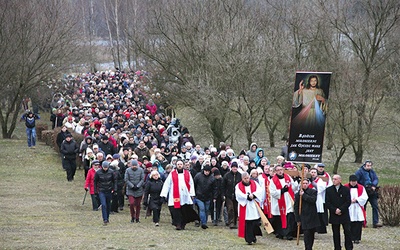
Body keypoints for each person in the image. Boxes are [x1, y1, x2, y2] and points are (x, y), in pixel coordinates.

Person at [160, 160, 198, 230]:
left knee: (184, 210)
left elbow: (191, 183)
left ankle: (183, 223)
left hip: (185, 195)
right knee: (176, 211)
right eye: (178, 164)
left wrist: (192, 194)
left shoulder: (187, 173)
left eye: (181, 164)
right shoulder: (172, 174)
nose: (179, 166)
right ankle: (178, 224)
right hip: (175, 196)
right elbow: (167, 184)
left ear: (183, 165)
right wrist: (164, 195)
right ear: (176, 165)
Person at [325, 175, 353, 250]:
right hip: (334, 214)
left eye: (335, 179)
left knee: (347, 231)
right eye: (333, 179)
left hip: (344, 214)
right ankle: (337, 247)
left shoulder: (346, 189)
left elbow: (348, 201)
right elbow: (327, 202)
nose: (334, 180)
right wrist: (335, 210)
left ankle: (349, 247)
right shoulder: (329, 190)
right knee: (336, 233)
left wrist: (341, 209)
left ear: (340, 180)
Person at [235, 172, 263, 245]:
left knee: (255, 222)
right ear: (242, 179)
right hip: (245, 206)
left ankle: (254, 236)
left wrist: (254, 195)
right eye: (245, 179)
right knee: (248, 224)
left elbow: (260, 191)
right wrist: (246, 197)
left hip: (253, 205)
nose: (247, 180)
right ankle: (249, 239)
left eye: (248, 178)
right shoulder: (238, 186)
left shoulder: (254, 183)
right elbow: (238, 194)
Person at [355, 160, 382, 228]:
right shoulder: (359, 172)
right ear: (364, 165)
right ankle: (363, 222)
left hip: (372, 191)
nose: (369, 167)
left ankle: (375, 222)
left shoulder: (372, 172)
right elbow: (356, 181)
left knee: (375, 206)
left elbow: (376, 179)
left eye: (370, 166)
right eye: (368, 165)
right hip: (364, 191)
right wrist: (362, 187)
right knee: (363, 207)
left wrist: (373, 185)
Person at [294, 179, 319, 250]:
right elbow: (296, 207)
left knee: (311, 234)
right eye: (303, 183)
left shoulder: (313, 192)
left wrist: (304, 195)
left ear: (308, 184)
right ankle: (307, 248)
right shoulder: (297, 194)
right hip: (304, 217)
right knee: (306, 234)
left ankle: (310, 247)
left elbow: (312, 200)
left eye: (306, 183)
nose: (305, 184)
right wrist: (297, 219)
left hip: (312, 216)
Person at [344, 175, 368, 244]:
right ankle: (350, 237)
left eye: (355, 181)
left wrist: (357, 200)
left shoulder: (361, 187)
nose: (353, 183)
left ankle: (357, 238)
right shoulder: (345, 187)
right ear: (349, 181)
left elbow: (365, 197)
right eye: (352, 182)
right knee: (349, 223)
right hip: (349, 207)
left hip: (358, 207)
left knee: (358, 223)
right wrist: (349, 200)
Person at [193, 165, 217, 229]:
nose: (206, 172)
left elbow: (214, 188)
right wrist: (193, 194)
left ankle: (204, 222)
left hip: (208, 197)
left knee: (206, 210)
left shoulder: (212, 178)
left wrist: (214, 197)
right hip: (199, 196)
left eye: (208, 171)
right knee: (202, 209)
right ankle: (203, 222)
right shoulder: (198, 176)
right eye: (206, 171)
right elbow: (194, 185)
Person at [94, 161, 117, 225]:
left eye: (106, 167)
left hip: (109, 190)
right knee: (103, 205)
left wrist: (115, 189)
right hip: (102, 191)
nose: (105, 169)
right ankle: (105, 219)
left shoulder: (111, 172)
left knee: (108, 205)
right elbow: (95, 182)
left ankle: (107, 217)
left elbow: (114, 181)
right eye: (104, 167)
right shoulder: (98, 172)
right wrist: (95, 191)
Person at [221, 161, 241, 229]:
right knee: (230, 208)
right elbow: (223, 186)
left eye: (236, 167)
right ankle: (231, 222)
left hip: (237, 196)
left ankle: (235, 222)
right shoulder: (227, 175)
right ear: (231, 167)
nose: (234, 168)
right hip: (228, 195)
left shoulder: (240, 175)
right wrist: (223, 194)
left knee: (236, 209)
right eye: (233, 167)